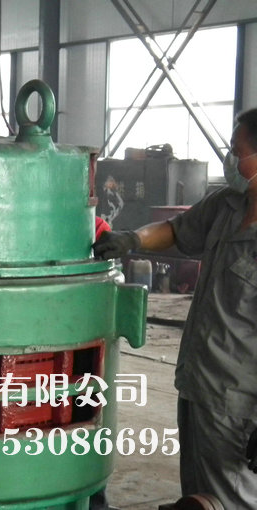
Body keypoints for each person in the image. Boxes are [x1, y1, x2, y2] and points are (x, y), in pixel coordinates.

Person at [92, 108, 257, 509]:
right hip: (200, 388)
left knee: (235, 500)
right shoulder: (226, 206)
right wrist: (133, 240)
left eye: (238, 152)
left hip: (241, 407)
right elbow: (176, 231)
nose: (231, 160)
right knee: (198, 499)